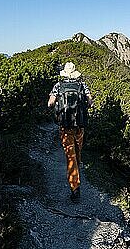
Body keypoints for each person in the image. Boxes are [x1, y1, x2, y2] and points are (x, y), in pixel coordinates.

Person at [48, 62, 93, 202]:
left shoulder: (58, 86)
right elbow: (90, 102)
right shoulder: (82, 85)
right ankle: (78, 166)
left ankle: (75, 187)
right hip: (79, 124)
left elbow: (50, 103)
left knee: (70, 156)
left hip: (65, 126)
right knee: (78, 147)